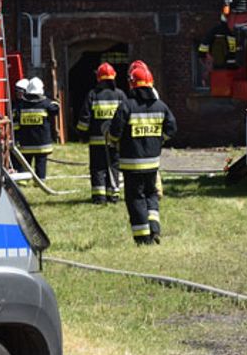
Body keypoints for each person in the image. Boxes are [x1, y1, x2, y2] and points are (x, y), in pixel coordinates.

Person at [106, 61, 176, 245]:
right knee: (151, 194)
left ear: (131, 84)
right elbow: (171, 128)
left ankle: (142, 238)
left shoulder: (126, 106)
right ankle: (154, 229)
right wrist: (159, 140)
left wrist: (113, 141)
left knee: (135, 197)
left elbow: (114, 132)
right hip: (152, 163)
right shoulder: (161, 106)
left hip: (132, 163)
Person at [75, 62, 126, 204]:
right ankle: (113, 195)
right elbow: (125, 117)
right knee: (113, 166)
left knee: (98, 168)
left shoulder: (93, 94)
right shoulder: (120, 95)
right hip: (114, 141)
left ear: (99, 78)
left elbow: (85, 118)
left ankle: (99, 196)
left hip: (96, 141)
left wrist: (82, 134)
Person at [12, 76, 59, 181]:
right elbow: (55, 109)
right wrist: (50, 99)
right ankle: (40, 181)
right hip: (41, 144)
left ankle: (23, 181)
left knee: (25, 162)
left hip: (26, 143)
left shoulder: (21, 105)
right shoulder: (45, 103)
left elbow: (15, 122)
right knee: (41, 163)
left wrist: (17, 137)